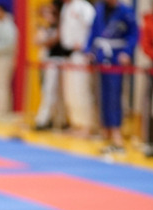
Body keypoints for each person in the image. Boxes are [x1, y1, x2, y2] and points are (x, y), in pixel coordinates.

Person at [87, 0, 138, 154]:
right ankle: (105, 129)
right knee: (102, 95)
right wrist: (89, 50)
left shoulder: (126, 11)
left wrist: (127, 52)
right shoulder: (100, 10)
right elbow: (93, 32)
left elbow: (134, 34)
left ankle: (116, 130)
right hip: (101, 56)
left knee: (115, 95)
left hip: (116, 56)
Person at [60, 0, 99, 135]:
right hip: (69, 53)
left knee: (81, 90)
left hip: (82, 54)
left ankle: (87, 126)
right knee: (70, 92)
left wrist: (87, 47)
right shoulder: (65, 8)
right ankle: (76, 123)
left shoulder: (83, 7)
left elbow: (93, 27)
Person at [35, 2, 70, 130]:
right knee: (49, 90)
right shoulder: (47, 27)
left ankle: (47, 120)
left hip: (58, 60)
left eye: (50, 12)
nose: (47, 15)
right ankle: (52, 119)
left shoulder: (61, 25)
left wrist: (46, 42)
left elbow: (54, 41)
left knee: (55, 92)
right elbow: (38, 42)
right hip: (50, 60)